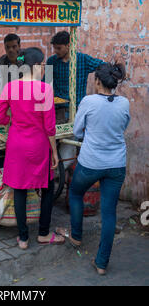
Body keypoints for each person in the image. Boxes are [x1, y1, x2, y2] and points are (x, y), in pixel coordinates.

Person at [56, 62, 130, 275]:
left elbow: (78, 132)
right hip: (117, 164)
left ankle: (76, 236)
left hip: (91, 163)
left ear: (97, 81)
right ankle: (101, 263)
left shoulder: (88, 101)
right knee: (109, 213)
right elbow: (123, 127)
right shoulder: (124, 103)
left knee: (76, 193)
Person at [0, 47, 65, 249]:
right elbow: (49, 126)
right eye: (42, 64)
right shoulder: (44, 89)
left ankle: (23, 238)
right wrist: (54, 152)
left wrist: (13, 120)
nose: (44, 68)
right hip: (38, 145)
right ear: (34, 66)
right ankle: (43, 233)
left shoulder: (9, 88)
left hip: (17, 144)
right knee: (47, 187)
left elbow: (0, 118)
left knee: (19, 189)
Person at [45, 31, 105, 109]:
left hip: (78, 106)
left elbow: (104, 66)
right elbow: (46, 83)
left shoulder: (84, 59)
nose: (55, 51)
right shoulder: (51, 61)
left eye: (59, 48)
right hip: (59, 107)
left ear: (68, 45)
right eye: (54, 48)